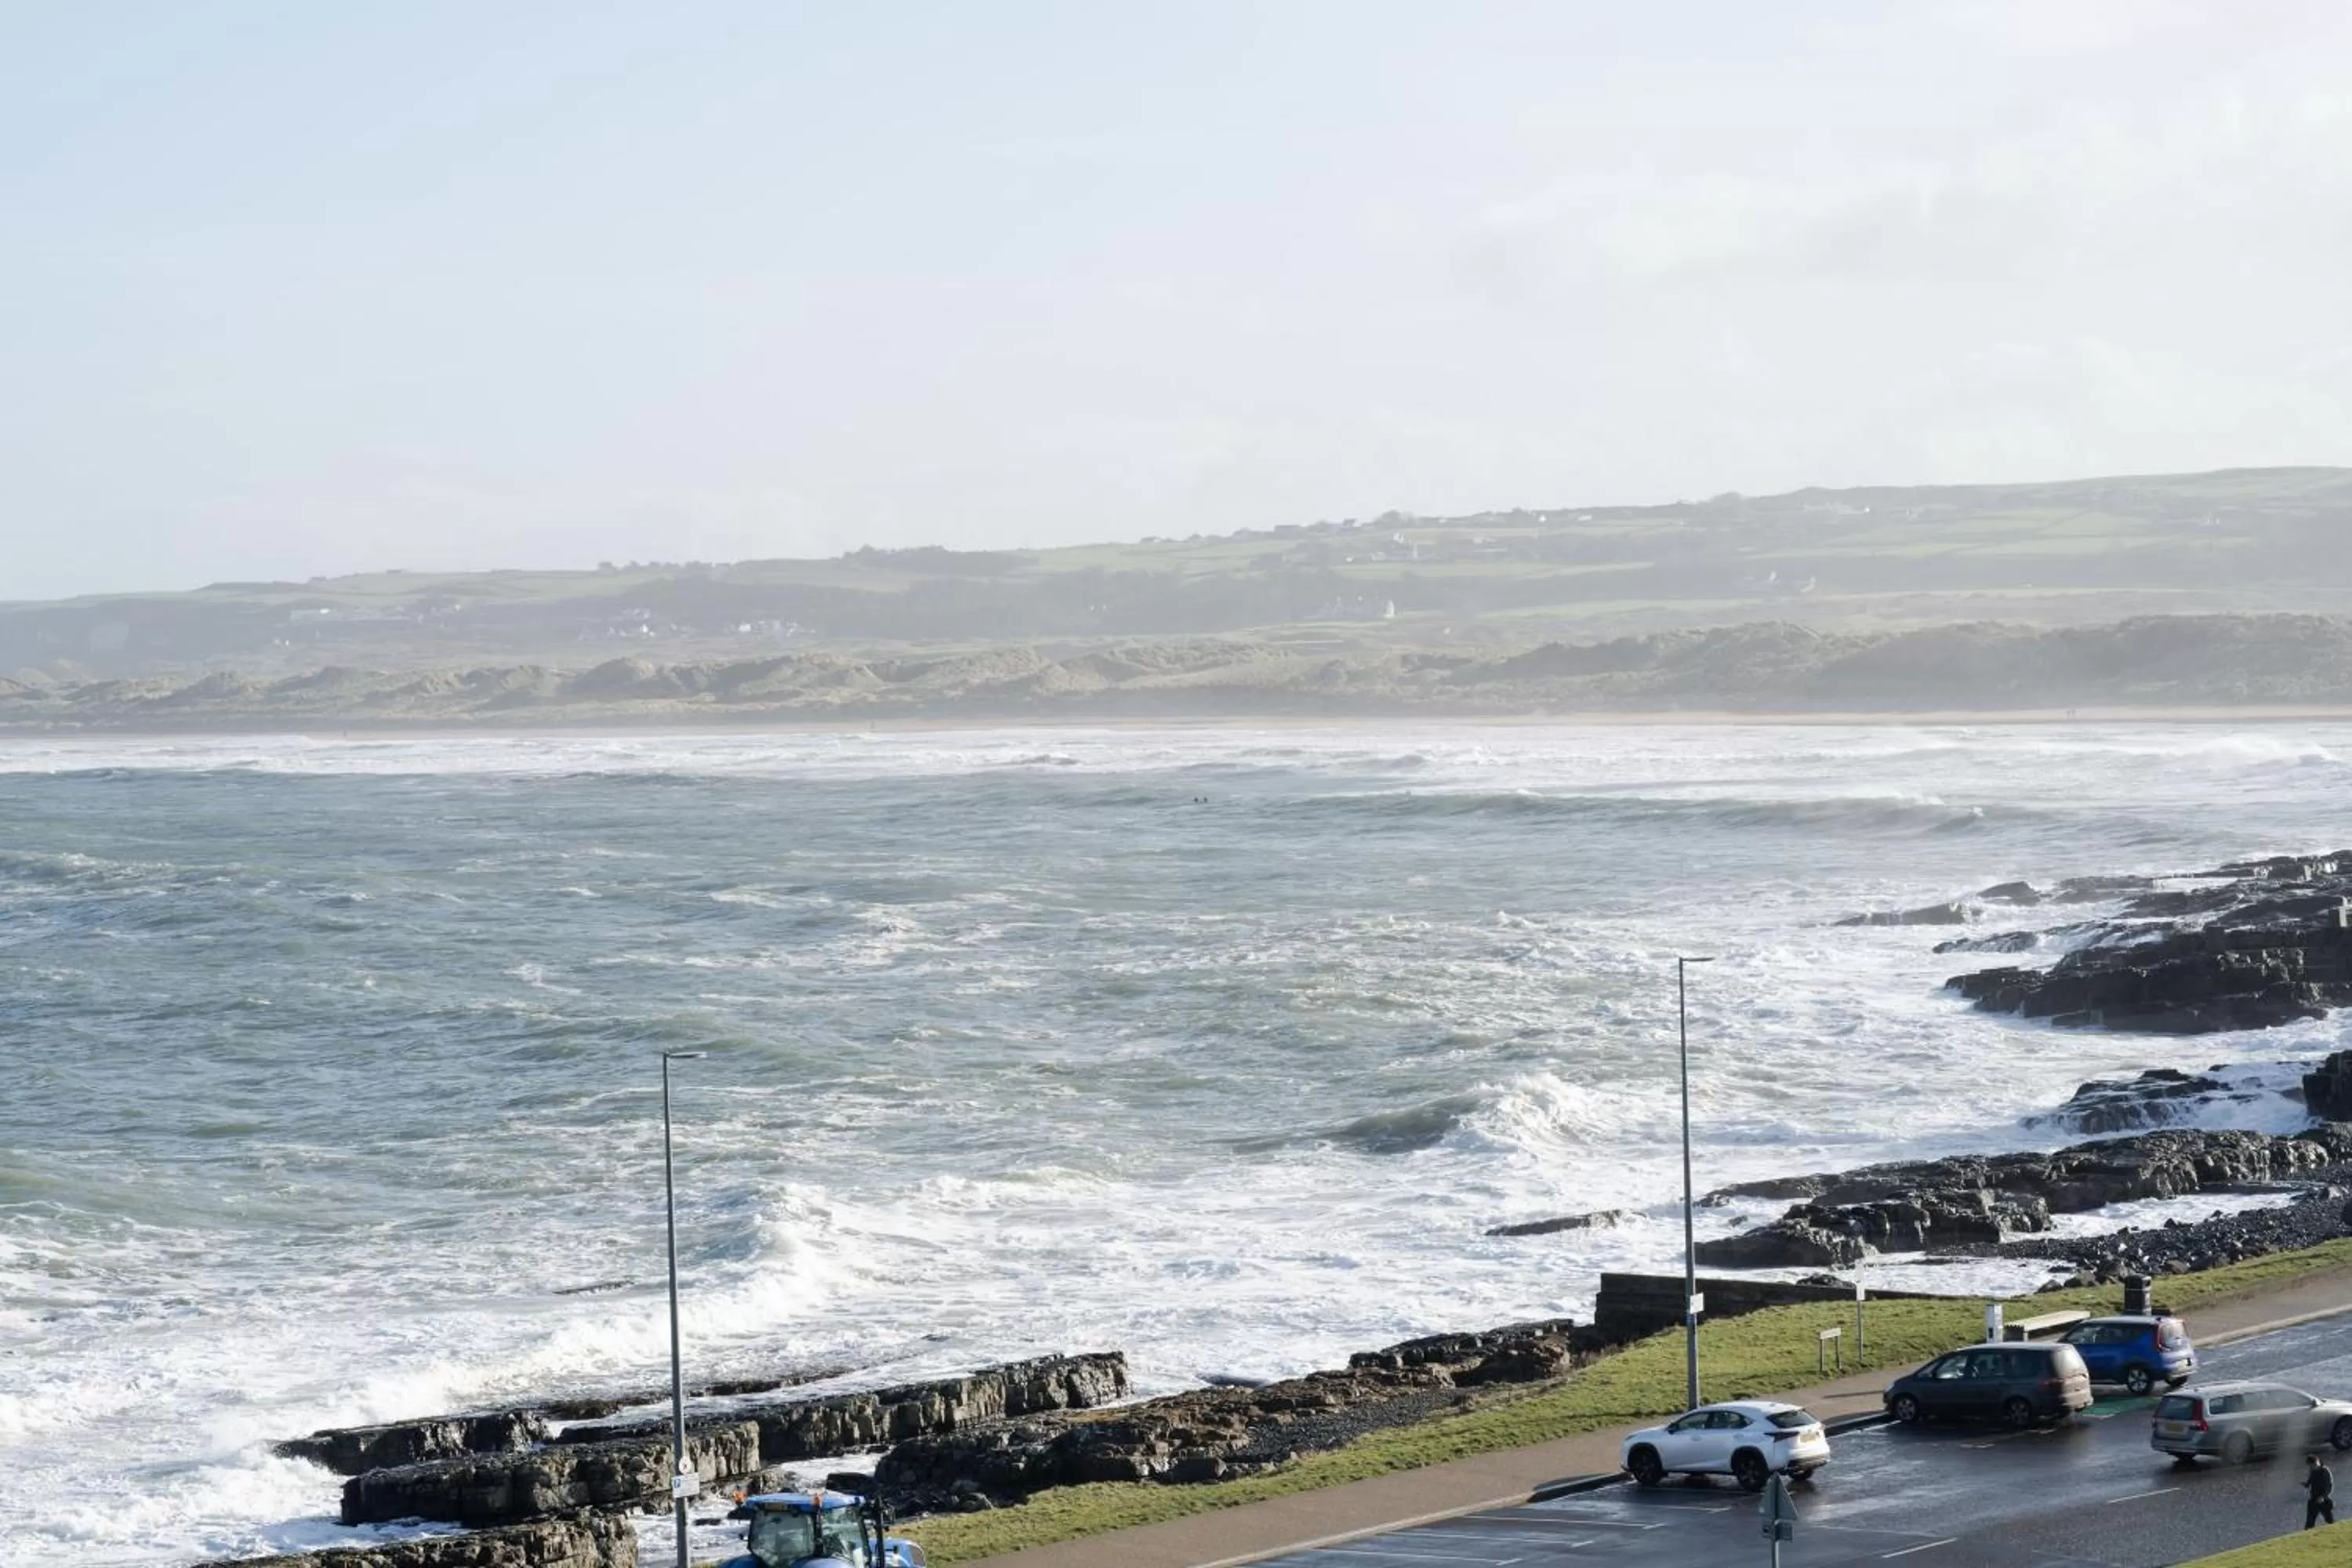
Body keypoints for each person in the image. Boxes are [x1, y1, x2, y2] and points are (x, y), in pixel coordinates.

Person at [2305, 1454, 2336, 1530]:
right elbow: (2310, 1481)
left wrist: (2323, 1497)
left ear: (2318, 1462)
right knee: (2309, 1522)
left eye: (2314, 1465)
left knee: (2330, 1520)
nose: (2313, 1467)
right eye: (2311, 1466)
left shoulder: (2325, 1471)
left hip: (2323, 1500)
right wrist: (2306, 1484)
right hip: (2314, 1498)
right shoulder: (2312, 1470)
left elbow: (2330, 1486)